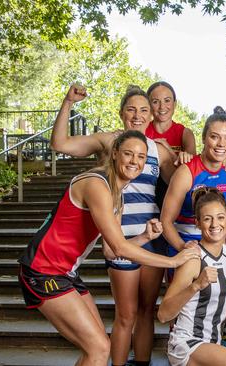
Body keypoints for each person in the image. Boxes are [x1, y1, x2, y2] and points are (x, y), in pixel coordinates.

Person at [18, 131, 200, 366]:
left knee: (94, 348)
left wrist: (145, 236)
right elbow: (119, 247)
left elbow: (110, 252)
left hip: (65, 273)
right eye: (128, 154)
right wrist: (173, 261)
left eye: (141, 157)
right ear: (114, 154)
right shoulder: (97, 184)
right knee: (99, 348)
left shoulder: (117, 194)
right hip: (43, 270)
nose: (135, 161)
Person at [50, 84, 178, 366]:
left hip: (152, 236)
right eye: (131, 109)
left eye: (144, 109)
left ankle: (141, 363)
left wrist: (193, 158)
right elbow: (59, 144)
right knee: (126, 314)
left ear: (152, 114)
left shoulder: (158, 149)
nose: (138, 115)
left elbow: (181, 182)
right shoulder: (109, 141)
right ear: (121, 113)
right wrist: (68, 103)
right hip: (119, 238)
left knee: (147, 310)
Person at [157, 189, 226, 366]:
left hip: (212, 345)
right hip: (187, 344)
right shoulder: (192, 259)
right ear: (198, 223)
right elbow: (163, 315)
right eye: (207, 219)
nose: (215, 224)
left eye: (220, 217)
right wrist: (196, 285)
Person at [161, 107, 226, 257]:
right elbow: (165, 221)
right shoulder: (186, 172)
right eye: (215, 137)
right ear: (204, 138)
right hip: (184, 243)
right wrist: (183, 247)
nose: (221, 144)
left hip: (216, 246)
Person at [145, 81, 197, 154]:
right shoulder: (142, 131)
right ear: (148, 105)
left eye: (167, 100)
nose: (162, 107)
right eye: (155, 102)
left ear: (175, 104)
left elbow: (193, 165)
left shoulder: (185, 134)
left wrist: (168, 149)